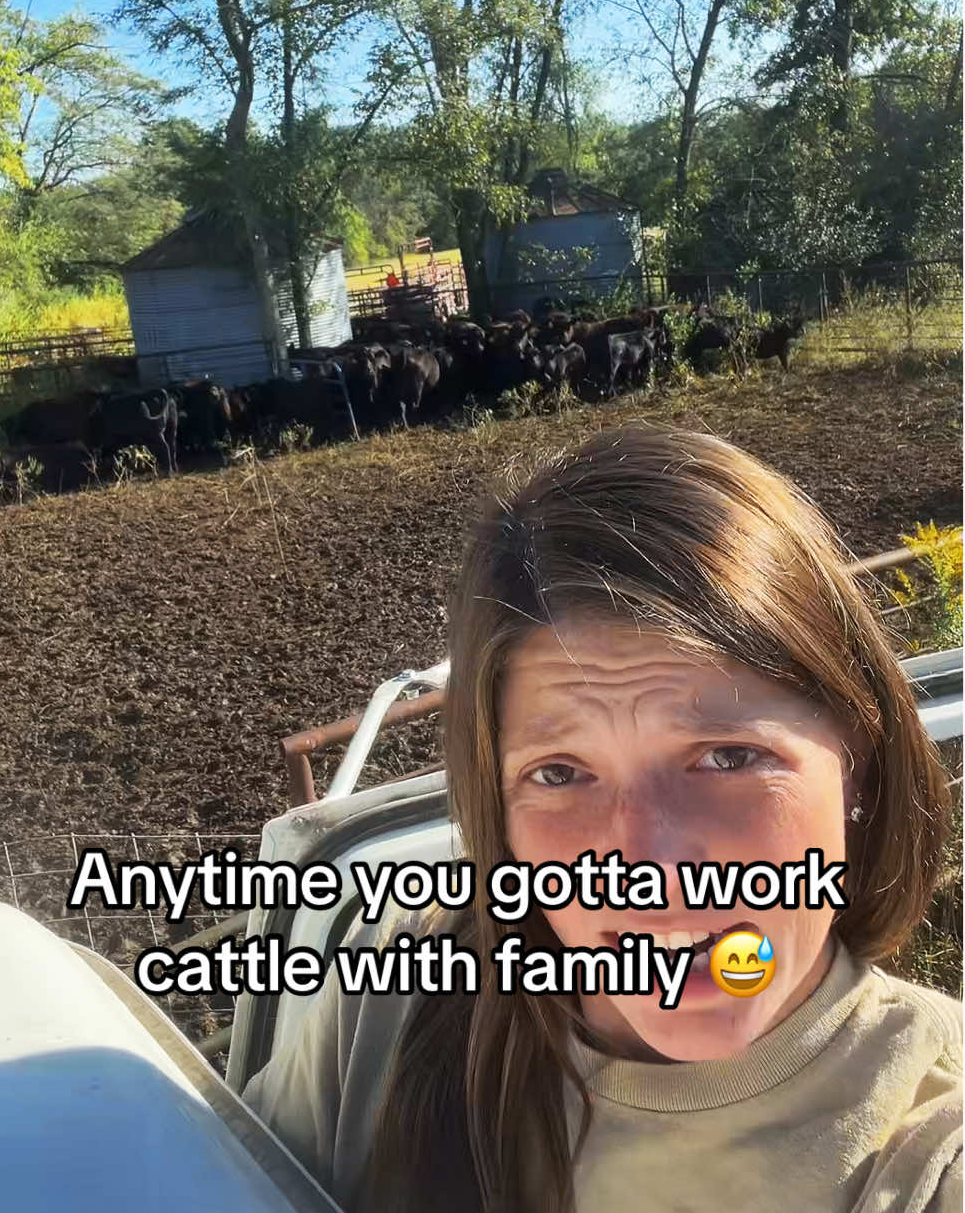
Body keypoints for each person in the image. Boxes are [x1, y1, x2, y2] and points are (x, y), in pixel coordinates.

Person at [244, 426, 961, 1213]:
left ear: (857, 750)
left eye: (726, 756)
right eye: (560, 773)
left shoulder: (932, 1147)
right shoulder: (396, 998)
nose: (645, 862)